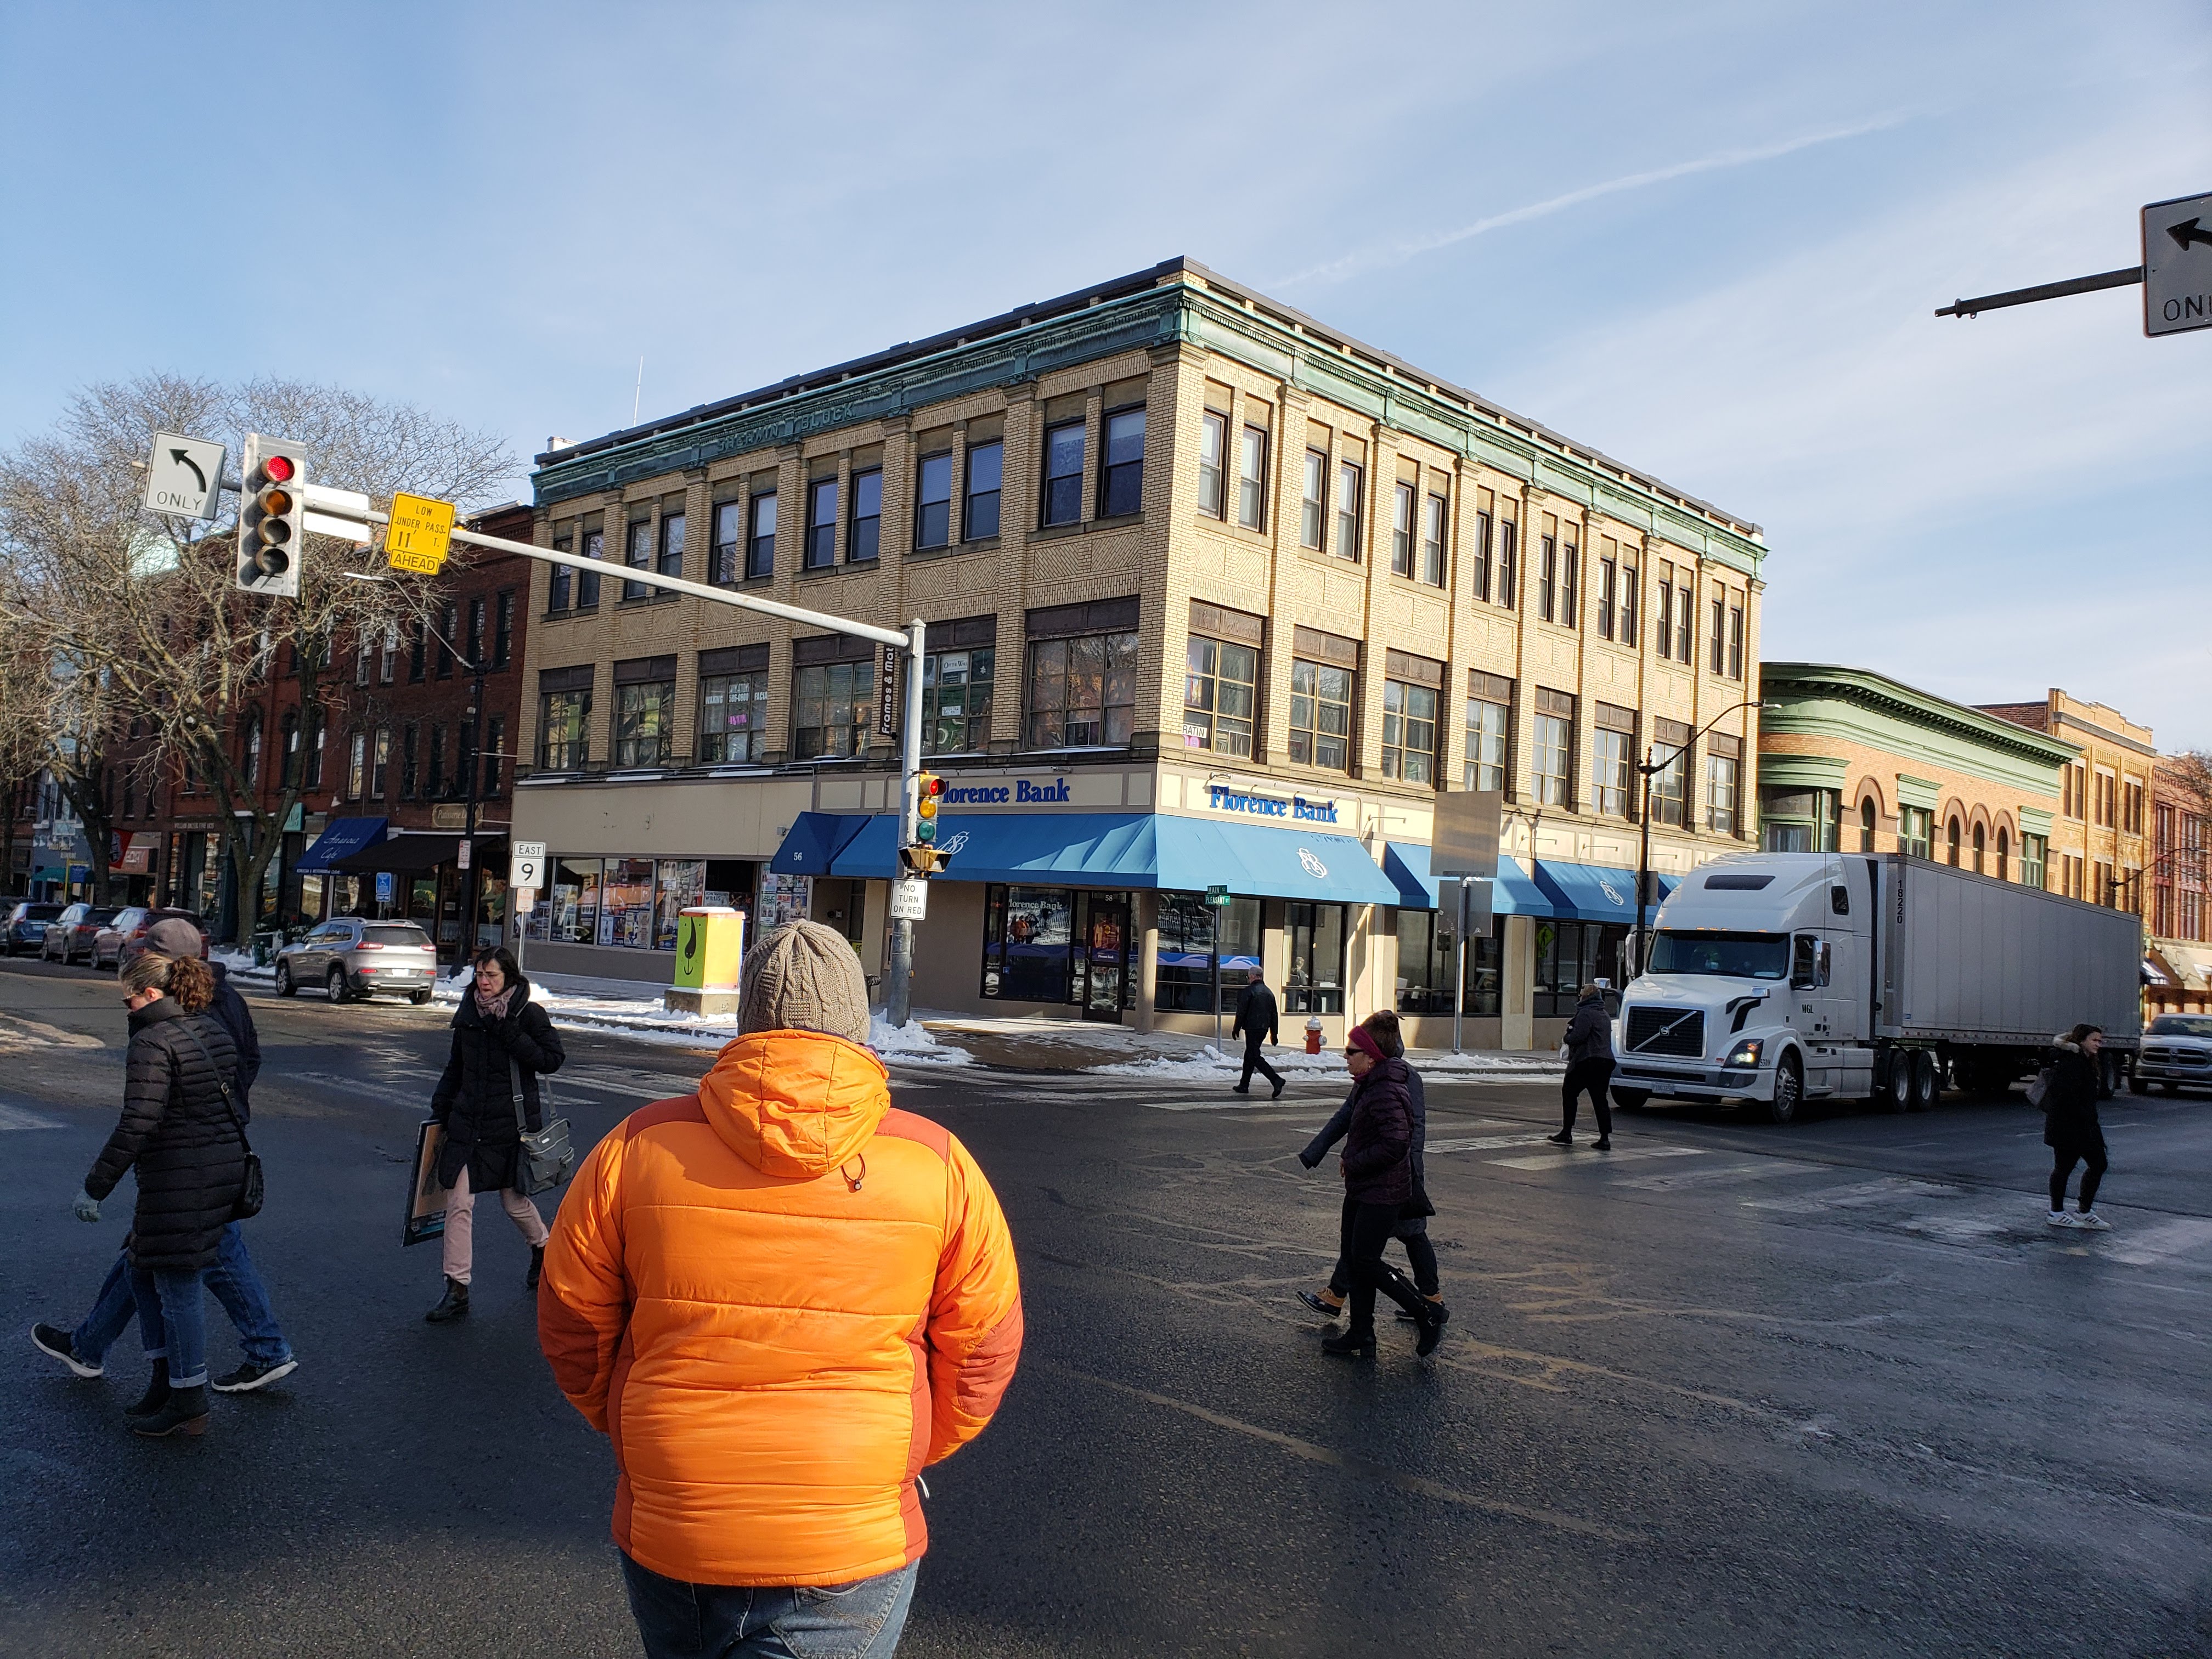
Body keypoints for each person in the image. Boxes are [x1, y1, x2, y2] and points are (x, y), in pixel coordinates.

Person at [539, 920, 1023, 1659]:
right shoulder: (938, 1164)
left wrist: (642, 1423)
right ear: (855, 1027)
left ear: (746, 1021)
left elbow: (573, 1320)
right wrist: (907, 1449)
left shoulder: (635, 1148)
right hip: (848, 1531)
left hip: (678, 1520)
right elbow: (984, 1349)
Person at [32, 919, 296, 1397]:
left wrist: (96, 1186)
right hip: (215, 1147)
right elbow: (248, 1060)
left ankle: (243, 1360)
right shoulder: (227, 998)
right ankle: (90, 1346)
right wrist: (226, 1109)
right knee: (145, 1253)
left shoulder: (174, 1017)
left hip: (188, 1160)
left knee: (195, 1262)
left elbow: (141, 1118)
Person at [72, 951, 249, 1437]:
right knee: (142, 1270)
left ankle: (188, 1399)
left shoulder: (152, 1041)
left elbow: (140, 1123)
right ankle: (165, 1384)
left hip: (180, 1180)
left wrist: (96, 1186)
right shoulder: (210, 1028)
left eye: (128, 999)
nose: (125, 1008)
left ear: (151, 994)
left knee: (177, 1285)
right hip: (216, 1171)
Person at [424, 946, 565, 1323]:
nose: (484, 983)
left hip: (512, 1127)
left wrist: (509, 1031)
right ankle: (457, 1288)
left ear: (510, 978)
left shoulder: (527, 1014)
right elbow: (456, 1067)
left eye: (492, 976)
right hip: (470, 1124)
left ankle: (543, 1248)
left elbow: (551, 1059)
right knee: (459, 1202)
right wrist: (441, 1108)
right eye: (480, 975)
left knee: (513, 1202)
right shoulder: (469, 1013)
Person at [1296, 1011, 1445, 1329]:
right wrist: (1316, 1151)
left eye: (1352, 1050)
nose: (1346, 1056)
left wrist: (1406, 1170)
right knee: (1374, 1246)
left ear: (1373, 1051)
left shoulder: (1400, 1079)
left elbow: (1409, 1132)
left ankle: (1428, 1304)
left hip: (1396, 1173)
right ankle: (1358, 1317)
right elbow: (1346, 1116)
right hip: (1380, 1174)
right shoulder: (1372, 1079)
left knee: (1393, 1242)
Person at [2043, 1023, 2111, 1231]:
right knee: (2063, 1168)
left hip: (2084, 1126)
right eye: (2094, 1040)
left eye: (2100, 1041)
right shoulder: (2071, 1062)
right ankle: (2056, 1213)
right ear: (2082, 1041)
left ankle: (2084, 1211)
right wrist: (2081, 1121)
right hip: (2068, 1127)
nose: (2098, 1044)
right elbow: (2064, 1097)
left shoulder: (2087, 1061)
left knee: (2099, 1164)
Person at [1548, 983, 1616, 1151]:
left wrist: (1567, 1037)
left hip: (1587, 1061)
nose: (1579, 998)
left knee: (1569, 1092)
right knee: (1600, 1100)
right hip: (1605, 1061)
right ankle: (1605, 1138)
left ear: (1586, 997)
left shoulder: (1586, 1013)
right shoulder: (1604, 1014)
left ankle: (1567, 1132)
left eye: (1581, 995)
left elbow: (1579, 1036)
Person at [1231, 967, 1285, 1098]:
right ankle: (1244, 1085)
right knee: (1250, 1055)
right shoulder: (1269, 993)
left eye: (1249, 977)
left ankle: (1276, 1080)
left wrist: (1236, 1028)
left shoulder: (1249, 992)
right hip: (1263, 1029)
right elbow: (1274, 1015)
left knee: (1254, 1056)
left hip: (1252, 1028)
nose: (1249, 979)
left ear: (1253, 977)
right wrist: (1274, 1034)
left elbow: (1242, 1012)